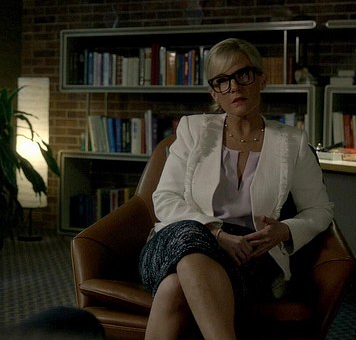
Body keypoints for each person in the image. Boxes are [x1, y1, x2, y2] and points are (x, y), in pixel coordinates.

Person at [138, 38, 334, 339]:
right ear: (214, 92)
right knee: (191, 237)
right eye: (222, 80)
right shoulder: (192, 129)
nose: (234, 87)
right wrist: (216, 234)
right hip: (176, 240)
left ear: (261, 79)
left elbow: (319, 210)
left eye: (243, 74)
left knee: (174, 287)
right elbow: (164, 199)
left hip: (248, 255)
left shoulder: (292, 143)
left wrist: (284, 231)